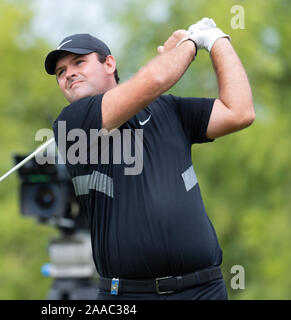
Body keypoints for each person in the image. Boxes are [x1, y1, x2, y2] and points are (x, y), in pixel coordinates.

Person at [45, 18, 254, 300]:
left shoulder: (169, 109)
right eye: (60, 72)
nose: (68, 74)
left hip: (204, 289)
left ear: (109, 64)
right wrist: (190, 44)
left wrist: (217, 40)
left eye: (78, 62)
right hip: (128, 295)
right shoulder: (71, 124)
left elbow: (239, 111)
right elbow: (156, 79)